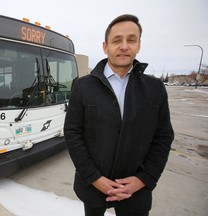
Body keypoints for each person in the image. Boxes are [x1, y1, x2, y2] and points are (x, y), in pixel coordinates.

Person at [64, 14, 174, 216]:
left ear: (139, 45)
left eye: (131, 39)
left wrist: (144, 179)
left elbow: (163, 136)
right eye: (117, 40)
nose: (124, 46)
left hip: (136, 192)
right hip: (92, 187)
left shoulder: (155, 88)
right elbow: (72, 133)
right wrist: (94, 178)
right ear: (105, 47)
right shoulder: (83, 86)